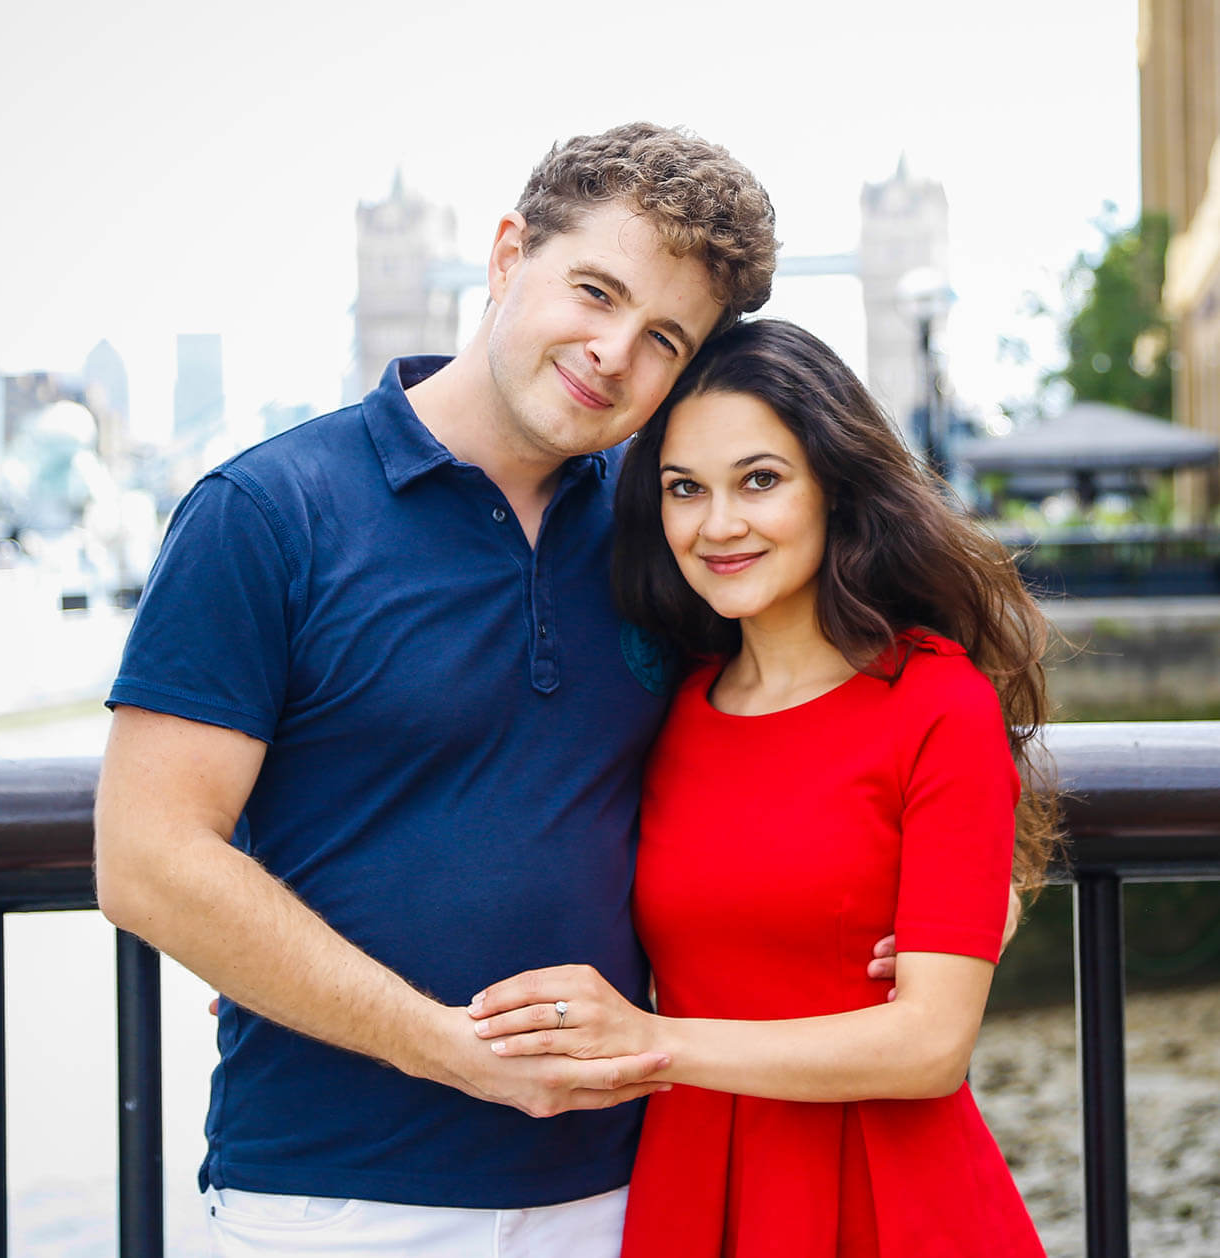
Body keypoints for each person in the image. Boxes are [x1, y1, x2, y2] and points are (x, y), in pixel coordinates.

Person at [94, 123, 857, 1256]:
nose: (610, 351)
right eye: (592, 292)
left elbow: (833, 698)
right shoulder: (265, 513)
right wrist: (437, 1043)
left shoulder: (673, 530)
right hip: (330, 1198)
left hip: (628, 1186)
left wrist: (939, 900)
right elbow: (149, 859)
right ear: (508, 257)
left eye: (661, 339)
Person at [468, 318, 1056, 1256]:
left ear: (835, 487)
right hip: (695, 1189)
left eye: (760, 480)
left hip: (891, 1194)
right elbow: (502, 813)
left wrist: (647, 1042)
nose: (719, 525)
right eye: (683, 489)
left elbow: (929, 1048)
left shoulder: (936, 700)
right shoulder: (666, 702)